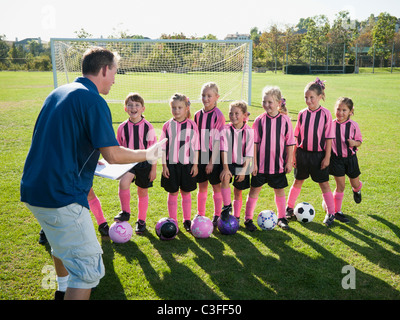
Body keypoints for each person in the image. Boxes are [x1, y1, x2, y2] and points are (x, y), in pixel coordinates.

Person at [20, 47, 165, 300]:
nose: (115, 79)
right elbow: (113, 154)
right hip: (61, 194)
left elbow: (59, 140)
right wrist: (148, 154)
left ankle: (62, 288)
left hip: (34, 189)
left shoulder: (58, 92)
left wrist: (85, 161)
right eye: (115, 72)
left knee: (60, 245)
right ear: (105, 69)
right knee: (88, 270)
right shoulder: (93, 99)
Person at [286, 78, 336, 227]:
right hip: (302, 154)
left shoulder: (326, 114)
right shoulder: (302, 114)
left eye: (311, 97)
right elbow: (297, 136)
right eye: (306, 98)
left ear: (320, 97)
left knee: (324, 184)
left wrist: (327, 157)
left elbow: (329, 138)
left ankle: (331, 213)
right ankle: (289, 208)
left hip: (319, 156)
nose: (308, 100)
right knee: (297, 181)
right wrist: (294, 155)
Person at [244, 87, 295, 231]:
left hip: (278, 165)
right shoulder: (260, 120)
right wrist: (253, 163)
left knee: (279, 191)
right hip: (260, 166)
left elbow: (290, 142)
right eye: (264, 102)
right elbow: (254, 143)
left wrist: (289, 161)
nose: (266, 105)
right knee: (254, 191)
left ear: (278, 103)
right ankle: (248, 219)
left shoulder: (285, 120)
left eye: (270, 102)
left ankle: (281, 218)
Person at [114, 93, 157, 234]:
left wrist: (153, 169)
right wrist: (118, 167)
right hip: (129, 163)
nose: (133, 107)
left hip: (144, 163)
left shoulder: (148, 127)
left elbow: (154, 151)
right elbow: (118, 148)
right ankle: (125, 212)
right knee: (123, 183)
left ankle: (141, 221)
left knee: (142, 191)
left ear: (143, 108)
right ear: (125, 108)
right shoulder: (122, 127)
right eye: (130, 105)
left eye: (137, 105)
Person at [160, 93, 199, 232]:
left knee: (186, 193)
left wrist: (195, 165)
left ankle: (187, 220)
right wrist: (164, 166)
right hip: (171, 165)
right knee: (173, 193)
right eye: (174, 107)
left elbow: (196, 147)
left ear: (186, 108)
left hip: (187, 165)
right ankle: (173, 220)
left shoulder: (192, 125)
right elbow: (163, 148)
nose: (176, 110)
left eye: (180, 107)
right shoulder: (167, 125)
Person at [194, 82, 226, 226]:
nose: (206, 98)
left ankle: (217, 215)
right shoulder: (197, 115)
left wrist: (212, 162)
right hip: (201, 154)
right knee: (202, 186)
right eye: (203, 95)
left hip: (214, 155)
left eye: (209, 96)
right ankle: (200, 213)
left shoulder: (218, 115)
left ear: (216, 97)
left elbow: (219, 140)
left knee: (215, 186)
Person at [326, 97, 363, 222]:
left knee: (355, 183)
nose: (340, 113)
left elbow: (359, 142)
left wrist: (354, 143)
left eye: (344, 110)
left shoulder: (353, 126)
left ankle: (357, 190)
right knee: (340, 186)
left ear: (351, 111)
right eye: (338, 109)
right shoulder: (330, 124)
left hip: (351, 159)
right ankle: (337, 211)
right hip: (336, 160)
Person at [219, 101, 254, 224]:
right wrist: (226, 168)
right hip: (228, 163)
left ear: (244, 115)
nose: (233, 116)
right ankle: (227, 206)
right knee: (224, 178)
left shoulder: (249, 131)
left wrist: (244, 171)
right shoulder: (225, 129)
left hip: (241, 164)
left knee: (238, 192)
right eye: (231, 113)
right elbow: (223, 150)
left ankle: (237, 217)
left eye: (236, 113)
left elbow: (249, 154)